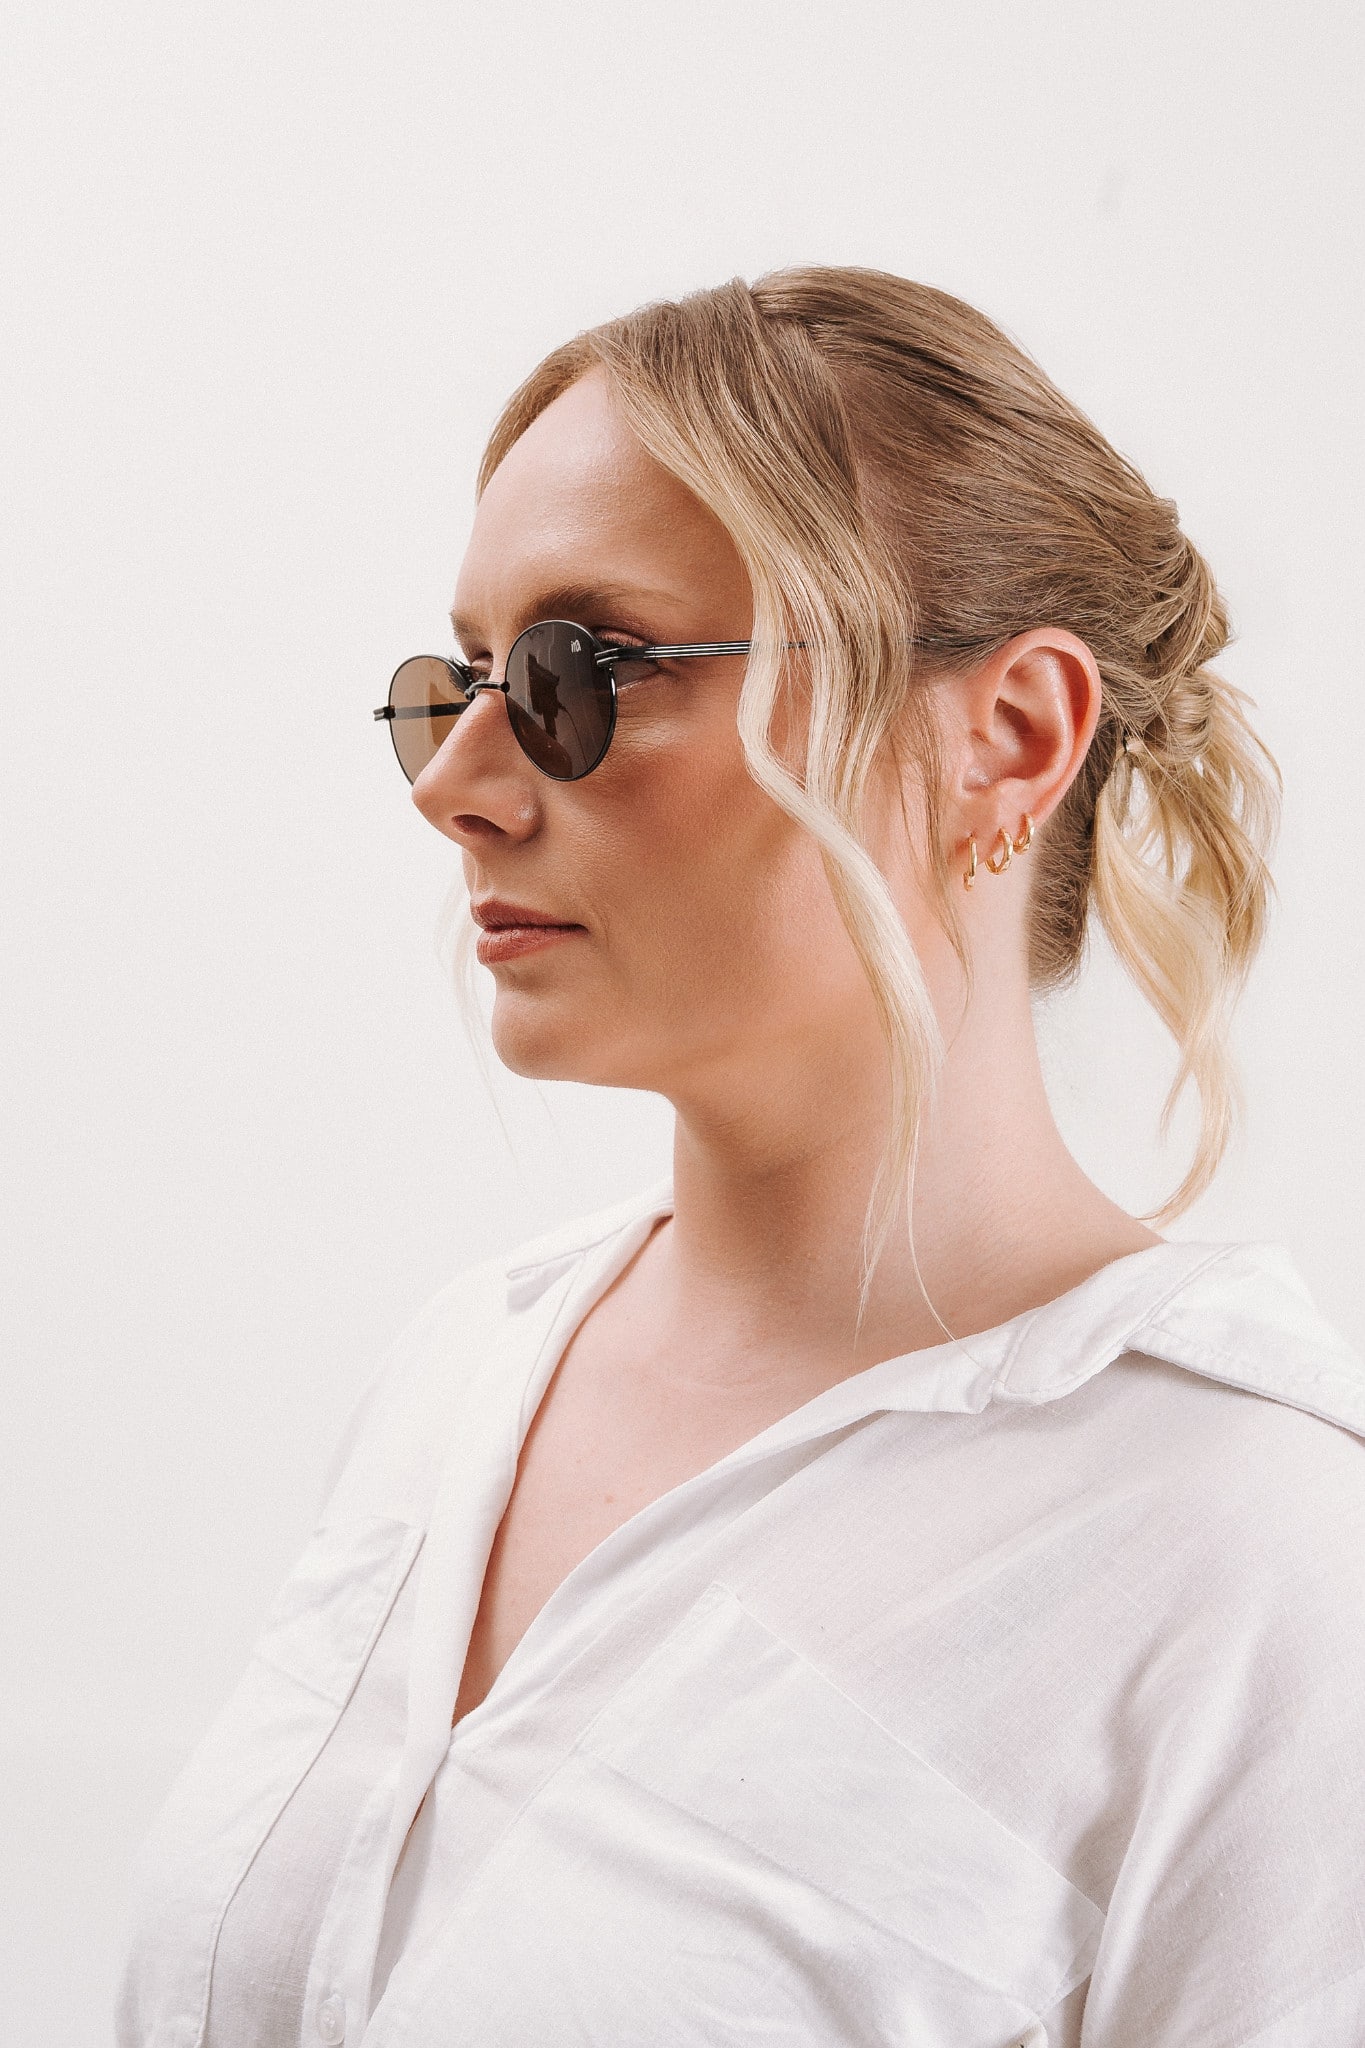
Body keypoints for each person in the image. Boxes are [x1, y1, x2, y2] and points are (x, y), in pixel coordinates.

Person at [117, 269, 1365, 2047]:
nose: (453, 784)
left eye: (578, 672)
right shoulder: (469, 1368)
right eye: (459, 679)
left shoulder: (1259, 1557)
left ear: (1005, 740)